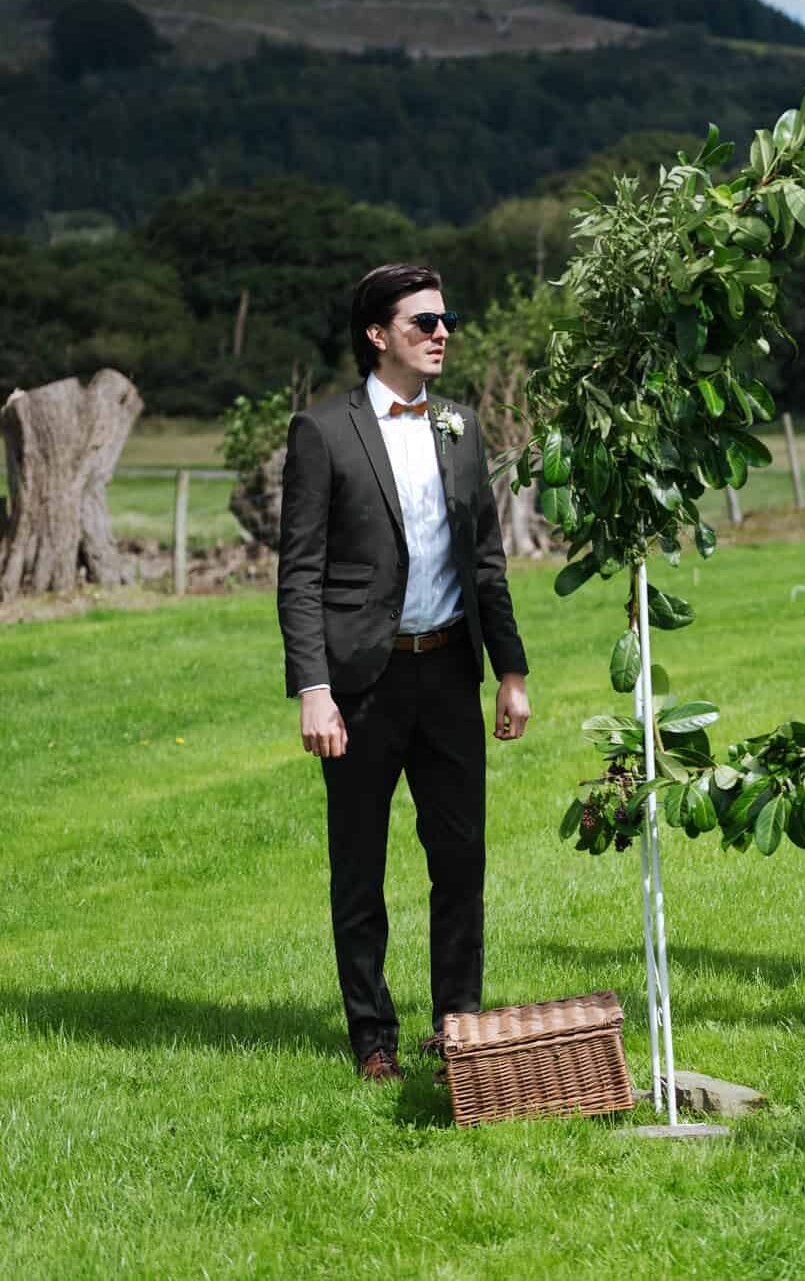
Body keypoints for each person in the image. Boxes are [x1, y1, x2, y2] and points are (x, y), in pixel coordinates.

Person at [277, 263, 531, 1082]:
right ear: (378, 335)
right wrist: (314, 688)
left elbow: (486, 559)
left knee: (460, 858)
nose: (442, 332)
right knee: (361, 863)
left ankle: (457, 1023)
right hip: (361, 682)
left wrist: (511, 671)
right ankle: (372, 1039)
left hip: (451, 670)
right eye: (423, 321)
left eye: (445, 319)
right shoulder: (322, 432)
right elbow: (300, 572)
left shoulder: (461, 423)